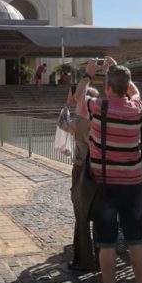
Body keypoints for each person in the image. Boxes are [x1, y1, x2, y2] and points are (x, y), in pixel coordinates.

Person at [76, 58, 142, 283]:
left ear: (107, 87)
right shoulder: (136, 108)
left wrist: (88, 75)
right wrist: (117, 71)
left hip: (106, 184)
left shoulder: (97, 106)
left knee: (107, 243)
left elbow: (79, 97)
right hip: (133, 184)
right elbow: (134, 91)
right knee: (136, 241)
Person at [59, 84, 99, 272]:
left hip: (81, 170)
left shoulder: (80, 122)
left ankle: (83, 260)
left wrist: (67, 103)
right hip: (99, 170)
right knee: (100, 215)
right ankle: (101, 256)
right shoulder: (99, 120)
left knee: (81, 217)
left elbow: (62, 124)